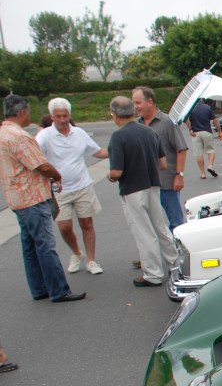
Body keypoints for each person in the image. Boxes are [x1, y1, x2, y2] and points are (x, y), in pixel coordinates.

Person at [0, 94, 85, 303]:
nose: (29, 114)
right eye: (28, 110)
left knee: (29, 245)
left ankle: (39, 288)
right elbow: (41, 165)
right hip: (32, 196)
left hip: (16, 197)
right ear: (21, 112)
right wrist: (56, 176)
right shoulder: (20, 136)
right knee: (45, 245)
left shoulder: (3, 132)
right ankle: (59, 289)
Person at [107, 96, 177, 287]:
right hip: (153, 185)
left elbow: (117, 172)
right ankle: (175, 264)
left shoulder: (118, 136)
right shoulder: (149, 132)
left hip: (132, 188)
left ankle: (153, 274)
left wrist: (110, 176)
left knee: (144, 232)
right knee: (161, 228)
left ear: (114, 115)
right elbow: (163, 163)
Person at [36, 98, 109, 275]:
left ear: (70, 115)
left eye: (65, 116)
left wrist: (119, 149)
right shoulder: (45, 136)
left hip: (83, 185)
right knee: (64, 227)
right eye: (58, 116)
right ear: (52, 117)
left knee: (87, 223)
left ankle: (91, 260)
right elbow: (35, 155)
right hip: (59, 189)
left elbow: (97, 152)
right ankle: (77, 253)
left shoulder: (78, 133)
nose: (62, 120)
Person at [132, 86, 188, 233]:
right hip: (144, 184)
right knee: (151, 224)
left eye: (138, 103)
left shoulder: (167, 122)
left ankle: (178, 251)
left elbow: (181, 149)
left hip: (166, 182)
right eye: (134, 103)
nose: (135, 107)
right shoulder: (136, 125)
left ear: (149, 102)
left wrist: (179, 176)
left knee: (176, 221)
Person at [187, 98, 219, 179]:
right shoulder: (207, 107)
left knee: (199, 154)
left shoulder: (191, 108)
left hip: (195, 133)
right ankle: (210, 166)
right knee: (211, 150)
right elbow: (215, 120)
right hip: (207, 132)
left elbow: (185, 119)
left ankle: (203, 174)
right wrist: (219, 131)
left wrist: (190, 129)